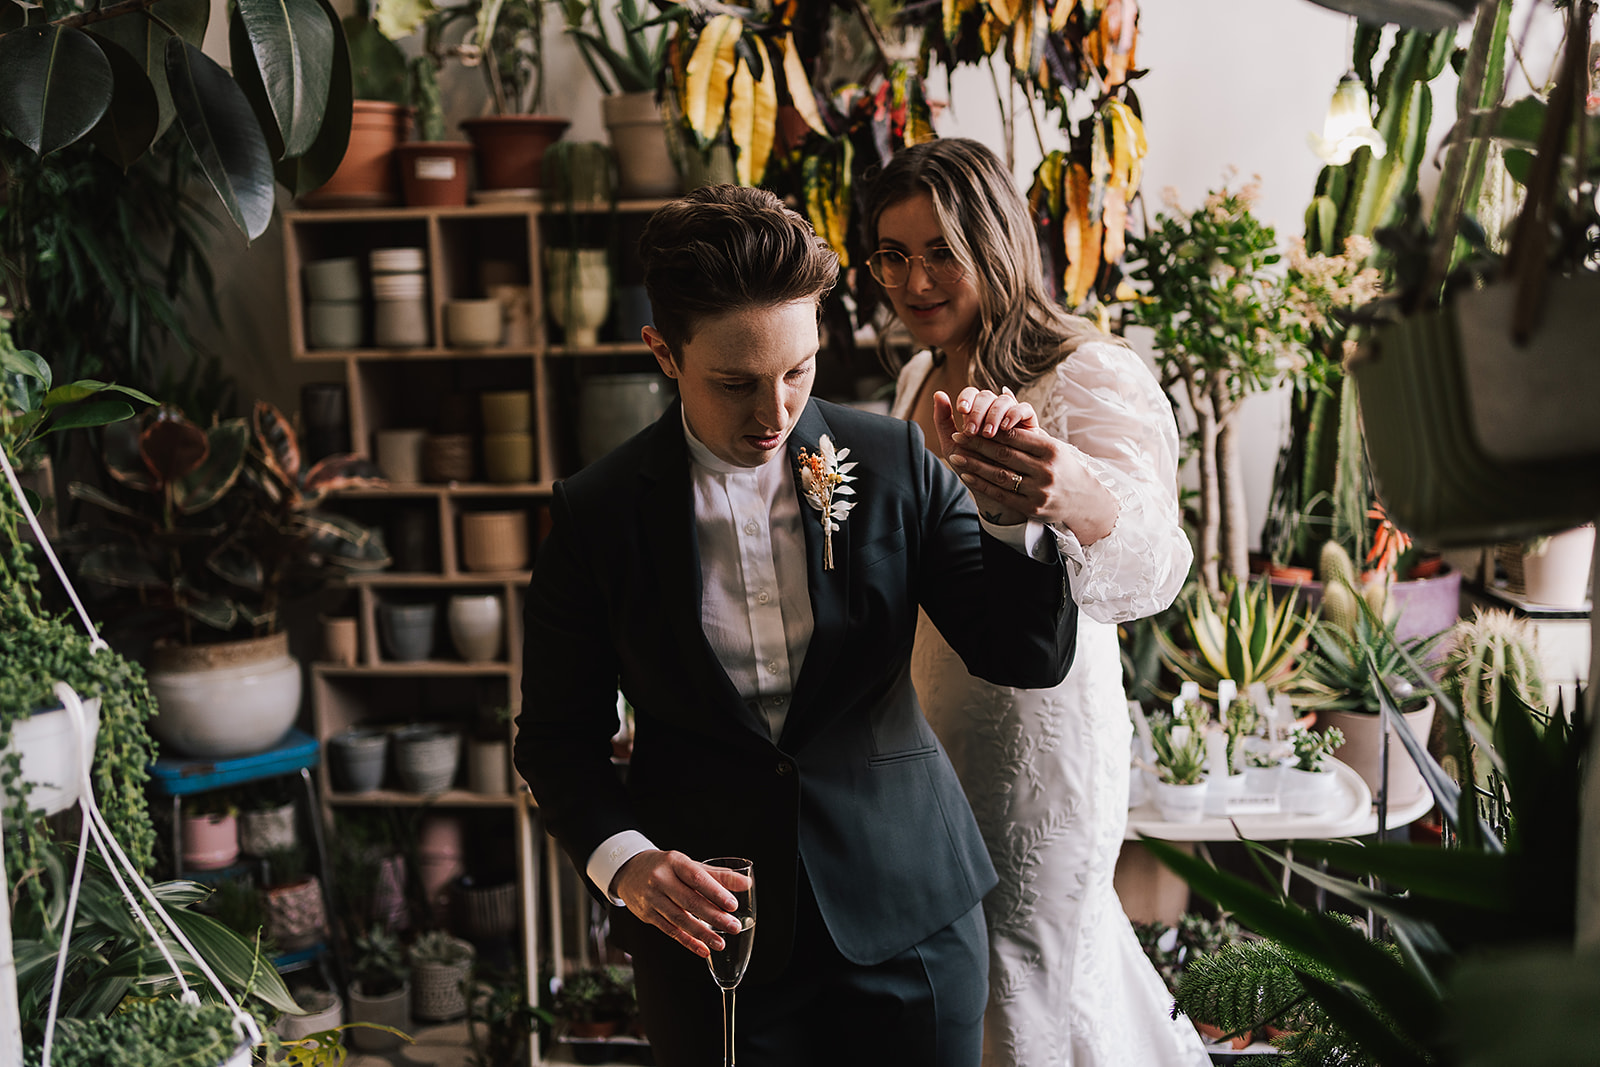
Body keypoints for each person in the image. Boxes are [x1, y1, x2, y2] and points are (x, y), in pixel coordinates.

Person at [515, 184, 1081, 1067]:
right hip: (714, 939)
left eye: (798, 370)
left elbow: (1026, 653)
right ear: (663, 353)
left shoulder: (895, 463)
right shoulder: (597, 516)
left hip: (913, 918)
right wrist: (626, 863)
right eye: (736, 382)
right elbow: (556, 739)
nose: (775, 414)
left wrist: (1011, 511)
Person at [865, 137, 1205, 1067]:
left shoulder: (1086, 373)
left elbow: (1157, 560)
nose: (914, 278)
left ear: (996, 241)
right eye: (892, 254)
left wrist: (1071, 495)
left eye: (940, 250)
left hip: (1037, 730)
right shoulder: (914, 382)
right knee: (958, 977)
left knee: (1026, 971)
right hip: (927, 732)